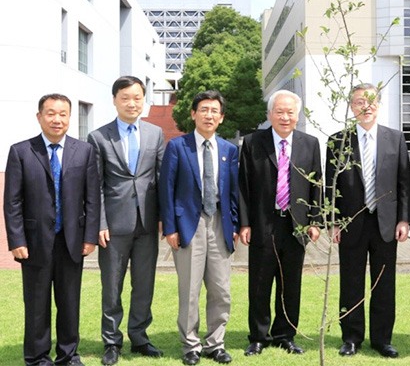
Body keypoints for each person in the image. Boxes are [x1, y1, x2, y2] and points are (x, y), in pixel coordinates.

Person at [4, 94, 100, 366]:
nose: (57, 119)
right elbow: (12, 201)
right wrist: (17, 239)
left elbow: (92, 198)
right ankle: (37, 357)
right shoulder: (21, 151)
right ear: (39, 117)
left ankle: (68, 356)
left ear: (70, 117)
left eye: (63, 114)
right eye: (51, 113)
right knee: (36, 304)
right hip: (34, 242)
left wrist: (90, 236)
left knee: (69, 302)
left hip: (72, 240)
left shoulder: (84, 151)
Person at [325, 83, 410, 358]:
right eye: (360, 101)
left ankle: (382, 339)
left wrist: (404, 219)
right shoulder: (338, 141)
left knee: (384, 284)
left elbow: (404, 183)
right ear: (352, 107)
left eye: (371, 101)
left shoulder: (395, 138)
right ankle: (351, 338)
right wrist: (334, 221)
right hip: (351, 223)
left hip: (386, 223)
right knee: (350, 283)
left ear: (379, 105)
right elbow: (331, 186)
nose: (366, 106)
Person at [87, 76, 165, 365]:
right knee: (112, 287)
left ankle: (140, 338)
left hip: (147, 223)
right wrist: (100, 222)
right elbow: (95, 185)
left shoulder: (155, 133)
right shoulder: (98, 137)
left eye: (137, 97)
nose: (132, 103)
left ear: (144, 100)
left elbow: (161, 178)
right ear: (115, 100)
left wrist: (164, 218)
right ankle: (111, 341)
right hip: (114, 225)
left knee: (144, 285)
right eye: (125, 98)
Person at [239, 90, 321, 356]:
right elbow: (243, 186)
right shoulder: (253, 142)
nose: (285, 117)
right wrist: (245, 223)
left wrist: (315, 220)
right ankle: (258, 337)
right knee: (260, 283)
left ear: (298, 115)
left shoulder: (310, 144)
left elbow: (316, 184)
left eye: (290, 112)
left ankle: (286, 335)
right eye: (279, 112)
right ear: (270, 114)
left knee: (291, 285)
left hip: (296, 226)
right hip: (263, 223)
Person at [159, 90, 239, 365]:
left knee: (221, 290)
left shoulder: (229, 150)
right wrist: (170, 228)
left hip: (220, 223)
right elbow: (166, 188)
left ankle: (215, 344)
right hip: (187, 225)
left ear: (221, 117)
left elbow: (232, 192)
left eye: (214, 111)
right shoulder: (177, 146)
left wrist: (234, 225)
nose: (209, 115)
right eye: (203, 110)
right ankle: (191, 346)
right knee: (190, 290)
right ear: (193, 114)